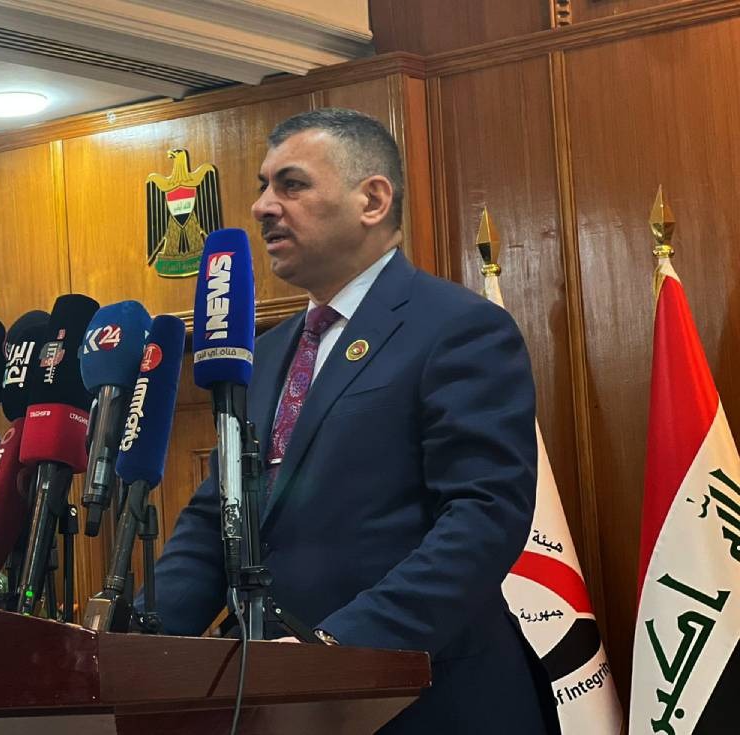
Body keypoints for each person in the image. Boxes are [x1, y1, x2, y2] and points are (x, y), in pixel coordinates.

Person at [146, 108, 560, 733]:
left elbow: (483, 516)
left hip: (423, 699)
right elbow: (217, 517)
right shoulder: (260, 355)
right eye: (263, 186)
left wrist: (340, 648)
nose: (262, 206)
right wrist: (140, 642)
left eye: (291, 184)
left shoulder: (458, 328)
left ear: (372, 199)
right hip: (275, 702)